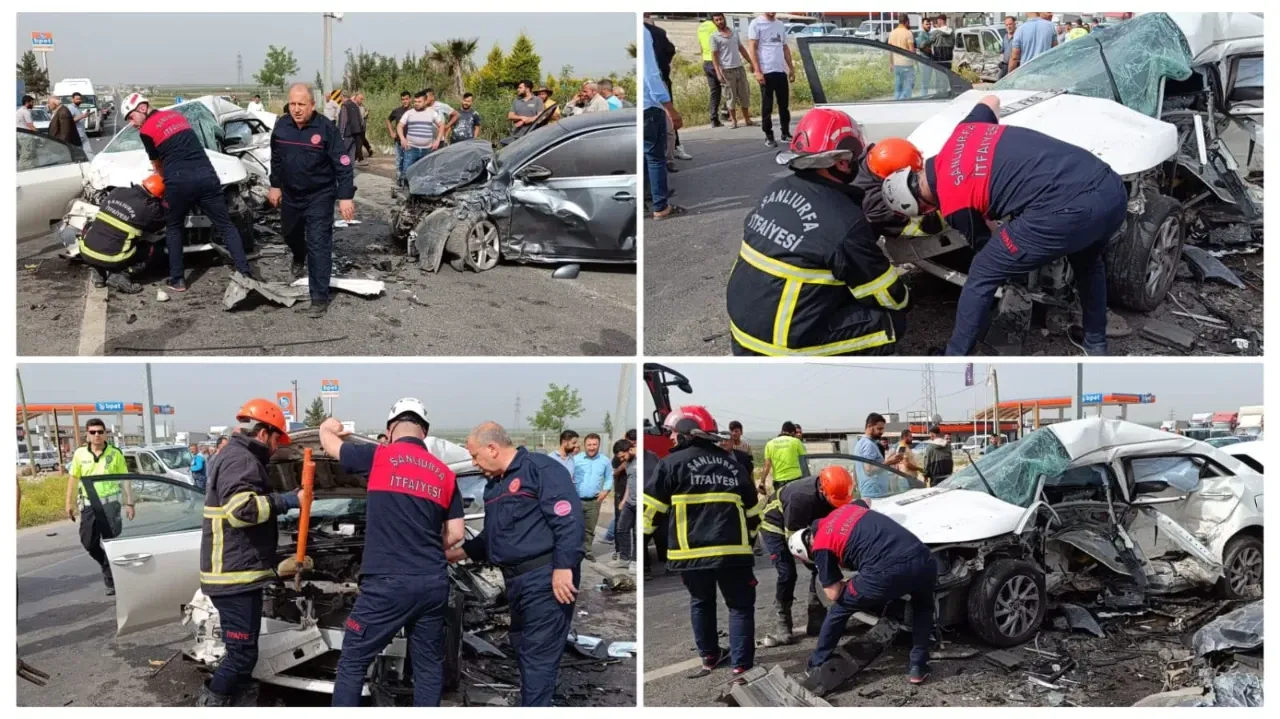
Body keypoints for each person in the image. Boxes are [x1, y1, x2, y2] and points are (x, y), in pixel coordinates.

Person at [881, 95, 1126, 355]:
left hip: (1066, 214)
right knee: (1089, 262)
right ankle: (1096, 344)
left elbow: (989, 246)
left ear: (924, 208)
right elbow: (992, 99)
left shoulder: (953, 205)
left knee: (982, 273)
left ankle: (954, 357)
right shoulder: (965, 130)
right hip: (1110, 189)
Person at [725, 109, 909, 356]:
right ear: (842, 162)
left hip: (743, 332)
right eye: (855, 158)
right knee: (891, 322)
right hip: (779, 346)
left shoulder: (773, 190)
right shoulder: (844, 221)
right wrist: (906, 295)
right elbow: (888, 295)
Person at [320, 401, 463, 707]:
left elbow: (331, 446)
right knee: (427, 668)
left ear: (389, 429)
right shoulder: (445, 474)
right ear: (424, 432)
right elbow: (457, 533)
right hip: (432, 583)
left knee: (353, 662)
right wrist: (423, 548)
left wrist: (326, 427)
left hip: (387, 584)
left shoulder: (380, 456)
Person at [450, 422, 583, 706]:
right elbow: (492, 537)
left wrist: (563, 568)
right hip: (516, 581)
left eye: (474, 456)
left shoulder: (540, 469)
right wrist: (455, 553)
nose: (474, 462)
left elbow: (568, 521)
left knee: (538, 655)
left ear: (492, 448)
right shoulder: (495, 486)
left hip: (545, 578)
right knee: (523, 646)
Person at [643, 406, 761, 679]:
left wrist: (641, 551)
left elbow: (650, 513)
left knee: (701, 602)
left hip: (690, 555)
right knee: (740, 606)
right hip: (734, 553)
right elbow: (753, 513)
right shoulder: (733, 464)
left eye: (672, 433)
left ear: (686, 432)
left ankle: (709, 656)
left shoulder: (670, 464)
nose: (670, 438)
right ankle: (741, 665)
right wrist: (750, 543)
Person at [197, 399, 301, 706]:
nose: (274, 448)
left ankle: (238, 699)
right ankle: (212, 701)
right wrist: (286, 501)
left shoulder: (236, 455)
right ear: (264, 432)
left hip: (239, 576)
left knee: (244, 650)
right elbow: (241, 511)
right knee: (241, 655)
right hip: (232, 580)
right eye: (275, 440)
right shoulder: (241, 459)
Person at [791, 498, 937, 685]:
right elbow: (865, 501)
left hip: (884, 572)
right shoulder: (846, 509)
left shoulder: (820, 546)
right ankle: (918, 666)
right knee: (923, 607)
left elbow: (833, 593)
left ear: (806, 552)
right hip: (923, 557)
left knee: (840, 608)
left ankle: (816, 663)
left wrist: (846, 583)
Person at [119, 92, 253, 292]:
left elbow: (158, 166)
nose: (132, 123)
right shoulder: (178, 117)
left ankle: (178, 279)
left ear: (142, 108)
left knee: (174, 227)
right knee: (225, 225)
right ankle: (245, 272)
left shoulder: (146, 131)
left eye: (131, 117)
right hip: (206, 176)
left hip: (179, 181)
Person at [267, 83, 356, 319]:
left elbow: (343, 165)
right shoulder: (282, 127)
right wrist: (275, 185)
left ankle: (319, 297)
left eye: (301, 105)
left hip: (320, 195)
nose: (296, 109)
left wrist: (345, 196)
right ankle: (299, 254)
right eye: (292, 104)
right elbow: (276, 158)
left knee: (319, 243)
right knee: (289, 233)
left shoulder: (326, 129)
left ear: (312, 105)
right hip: (291, 194)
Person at [757, 466, 854, 646]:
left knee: (822, 566)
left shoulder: (837, 492)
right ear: (821, 490)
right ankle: (783, 623)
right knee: (787, 574)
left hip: (807, 526)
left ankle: (816, 619)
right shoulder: (800, 497)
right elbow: (796, 542)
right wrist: (819, 563)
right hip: (776, 528)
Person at [65, 418, 135, 596]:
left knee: (112, 543)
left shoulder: (115, 453)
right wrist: (69, 503)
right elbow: (73, 479)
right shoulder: (80, 454)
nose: (97, 435)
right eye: (93, 432)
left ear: (105, 434)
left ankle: (115, 579)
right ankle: (106, 565)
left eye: (100, 432)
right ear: (87, 435)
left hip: (110, 505)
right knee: (88, 542)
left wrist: (130, 503)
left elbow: (125, 479)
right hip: (89, 506)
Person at [76, 175, 166, 294]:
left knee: (96, 226)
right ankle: (121, 275)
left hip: (86, 251)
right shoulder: (151, 209)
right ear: (157, 196)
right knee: (151, 247)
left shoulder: (118, 191)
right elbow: (158, 227)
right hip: (112, 258)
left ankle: (98, 271)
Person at [643, 23, 685, 220]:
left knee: (645, 156)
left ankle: (648, 197)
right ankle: (661, 206)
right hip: (650, 106)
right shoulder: (643, 32)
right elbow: (652, 75)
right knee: (655, 157)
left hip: (643, 107)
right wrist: (670, 108)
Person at [748, 12, 795, 148]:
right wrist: (757, 70)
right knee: (767, 106)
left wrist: (791, 68)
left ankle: (785, 133)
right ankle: (768, 135)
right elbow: (752, 47)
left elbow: (785, 47)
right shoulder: (756, 24)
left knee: (784, 105)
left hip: (780, 70)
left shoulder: (780, 25)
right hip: (766, 71)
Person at [710, 13, 755, 129]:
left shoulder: (734, 32)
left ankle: (747, 119)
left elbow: (741, 48)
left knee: (744, 94)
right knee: (730, 96)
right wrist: (718, 72)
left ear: (724, 19)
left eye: (721, 19)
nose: (720, 21)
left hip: (739, 68)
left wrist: (751, 62)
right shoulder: (714, 37)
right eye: (717, 20)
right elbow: (714, 56)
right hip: (727, 70)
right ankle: (733, 120)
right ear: (714, 22)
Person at [572, 433, 612, 560]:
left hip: (594, 501)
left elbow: (609, 477)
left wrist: (605, 491)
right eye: (589, 444)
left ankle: (587, 551)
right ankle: (573, 550)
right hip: (576, 500)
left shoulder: (605, 461)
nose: (591, 447)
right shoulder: (576, 460)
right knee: (574, 526)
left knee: (590, 528)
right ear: (584, 445)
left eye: (594, 444)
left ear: (599, 445)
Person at [853, 413, 900, 498]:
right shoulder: (868, 445)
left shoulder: (861, 443)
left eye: (882, 429)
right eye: (879, 429)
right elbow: (869, 470)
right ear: (869, 426)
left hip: (871, 491)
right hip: (875, 493)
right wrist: (888, 462)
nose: (881, 432)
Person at [397, 90, 444, 171]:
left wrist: (437, 141)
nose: (417, 103)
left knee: (425, 173)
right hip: (411, 149)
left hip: (427, 150)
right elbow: (399, 126)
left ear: (425, 101)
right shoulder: (409, 113)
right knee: (407, 172)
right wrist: (402, 139)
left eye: (419, 101)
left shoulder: (432, 113)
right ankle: (406, 183)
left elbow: (441, 125)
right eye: (415, 101)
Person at [609, 439, 638, 568]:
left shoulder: (640, 460)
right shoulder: (628, 462)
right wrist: (624, 500)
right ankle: (624, 558)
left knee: (638, 533)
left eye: (622, 456)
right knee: (621, 528)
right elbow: (629, 483)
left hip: (640, 502)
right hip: (629, 502)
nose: (621, 459)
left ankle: (636, 561)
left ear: (630, 450)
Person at [761, 422, 806, 494]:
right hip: (795, 480)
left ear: (782, 430)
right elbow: (804, 462)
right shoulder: (796, 442)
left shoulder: (769, 444)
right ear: (792, 432)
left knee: (782, 503)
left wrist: (762, 482)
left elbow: (767, 466)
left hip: (779, 482)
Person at [698, 15, 725, 127]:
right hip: (716, 62)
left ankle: (714, 118)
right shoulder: (715, 25)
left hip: (706, 61)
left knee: (714, 91)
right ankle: (726, 112)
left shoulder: (700, 27)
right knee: (730, 86)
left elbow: (700, 46)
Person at [887, 15, 917, 100]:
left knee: (898, 86)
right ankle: (904, 102)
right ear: (907, 21)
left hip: (896, 64)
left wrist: (891, 63)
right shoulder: (908, 33)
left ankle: (896, 102)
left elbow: (890, 50)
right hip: (907, 64)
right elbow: (911, 51)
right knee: (909, 86)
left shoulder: (892, 33)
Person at [386, 91, 412, 182]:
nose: (405, 101)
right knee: (399, 161)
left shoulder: (414, 111)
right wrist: (392, 132)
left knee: (408, 161)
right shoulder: (397, 111)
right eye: (403, 99)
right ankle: (399, 180)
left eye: (406, 99)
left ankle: (406, 180)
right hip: (398, 141)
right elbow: (388, 120)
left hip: (410, 142)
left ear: (410, 99)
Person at [338, 91, 364, 167]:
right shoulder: (355, 105)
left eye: (340, 97)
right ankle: (351, 173)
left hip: (347, 135)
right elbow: (360, 120)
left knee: (343, 154)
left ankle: (344, 172)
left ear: (342, 96)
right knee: (352, 155)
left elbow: (343, 121)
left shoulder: (344, 106)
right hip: (356, 134)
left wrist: (341, 135)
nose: (340, 99)